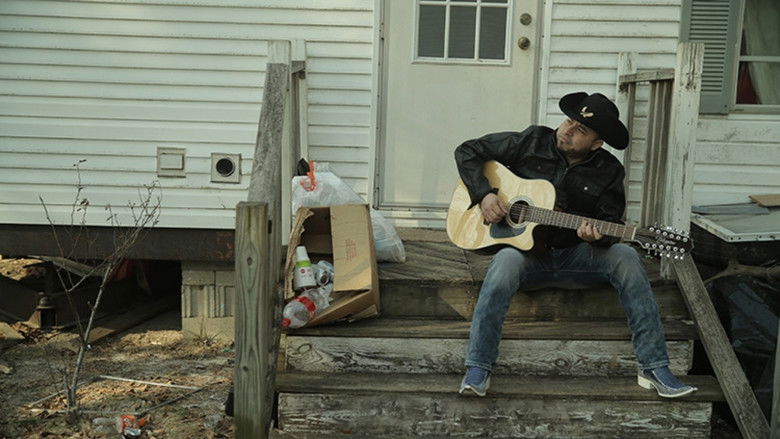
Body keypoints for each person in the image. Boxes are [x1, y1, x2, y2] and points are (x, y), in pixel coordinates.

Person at [454, 92, 697, 399]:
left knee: (625, 256)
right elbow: (467, 151)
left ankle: (654, 367)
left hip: (575, 258)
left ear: (597, 143)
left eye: (580, 129)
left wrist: (598, 236)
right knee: (504, 262)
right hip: (528, 258)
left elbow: (611, 221)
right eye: (569, 120)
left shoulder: (609, 170)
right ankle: (478, 368)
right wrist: (485, 194)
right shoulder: (532, 141)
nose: (567, 130)